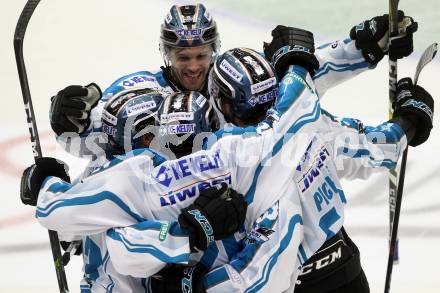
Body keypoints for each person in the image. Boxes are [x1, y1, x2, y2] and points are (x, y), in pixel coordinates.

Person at [21, 40, 433, 292]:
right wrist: (406, 120)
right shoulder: (303, 125)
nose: (178, 151)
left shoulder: (205, 164)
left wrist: (46, 182)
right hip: (340, 265)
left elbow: (78, 218)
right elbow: (374, 147)